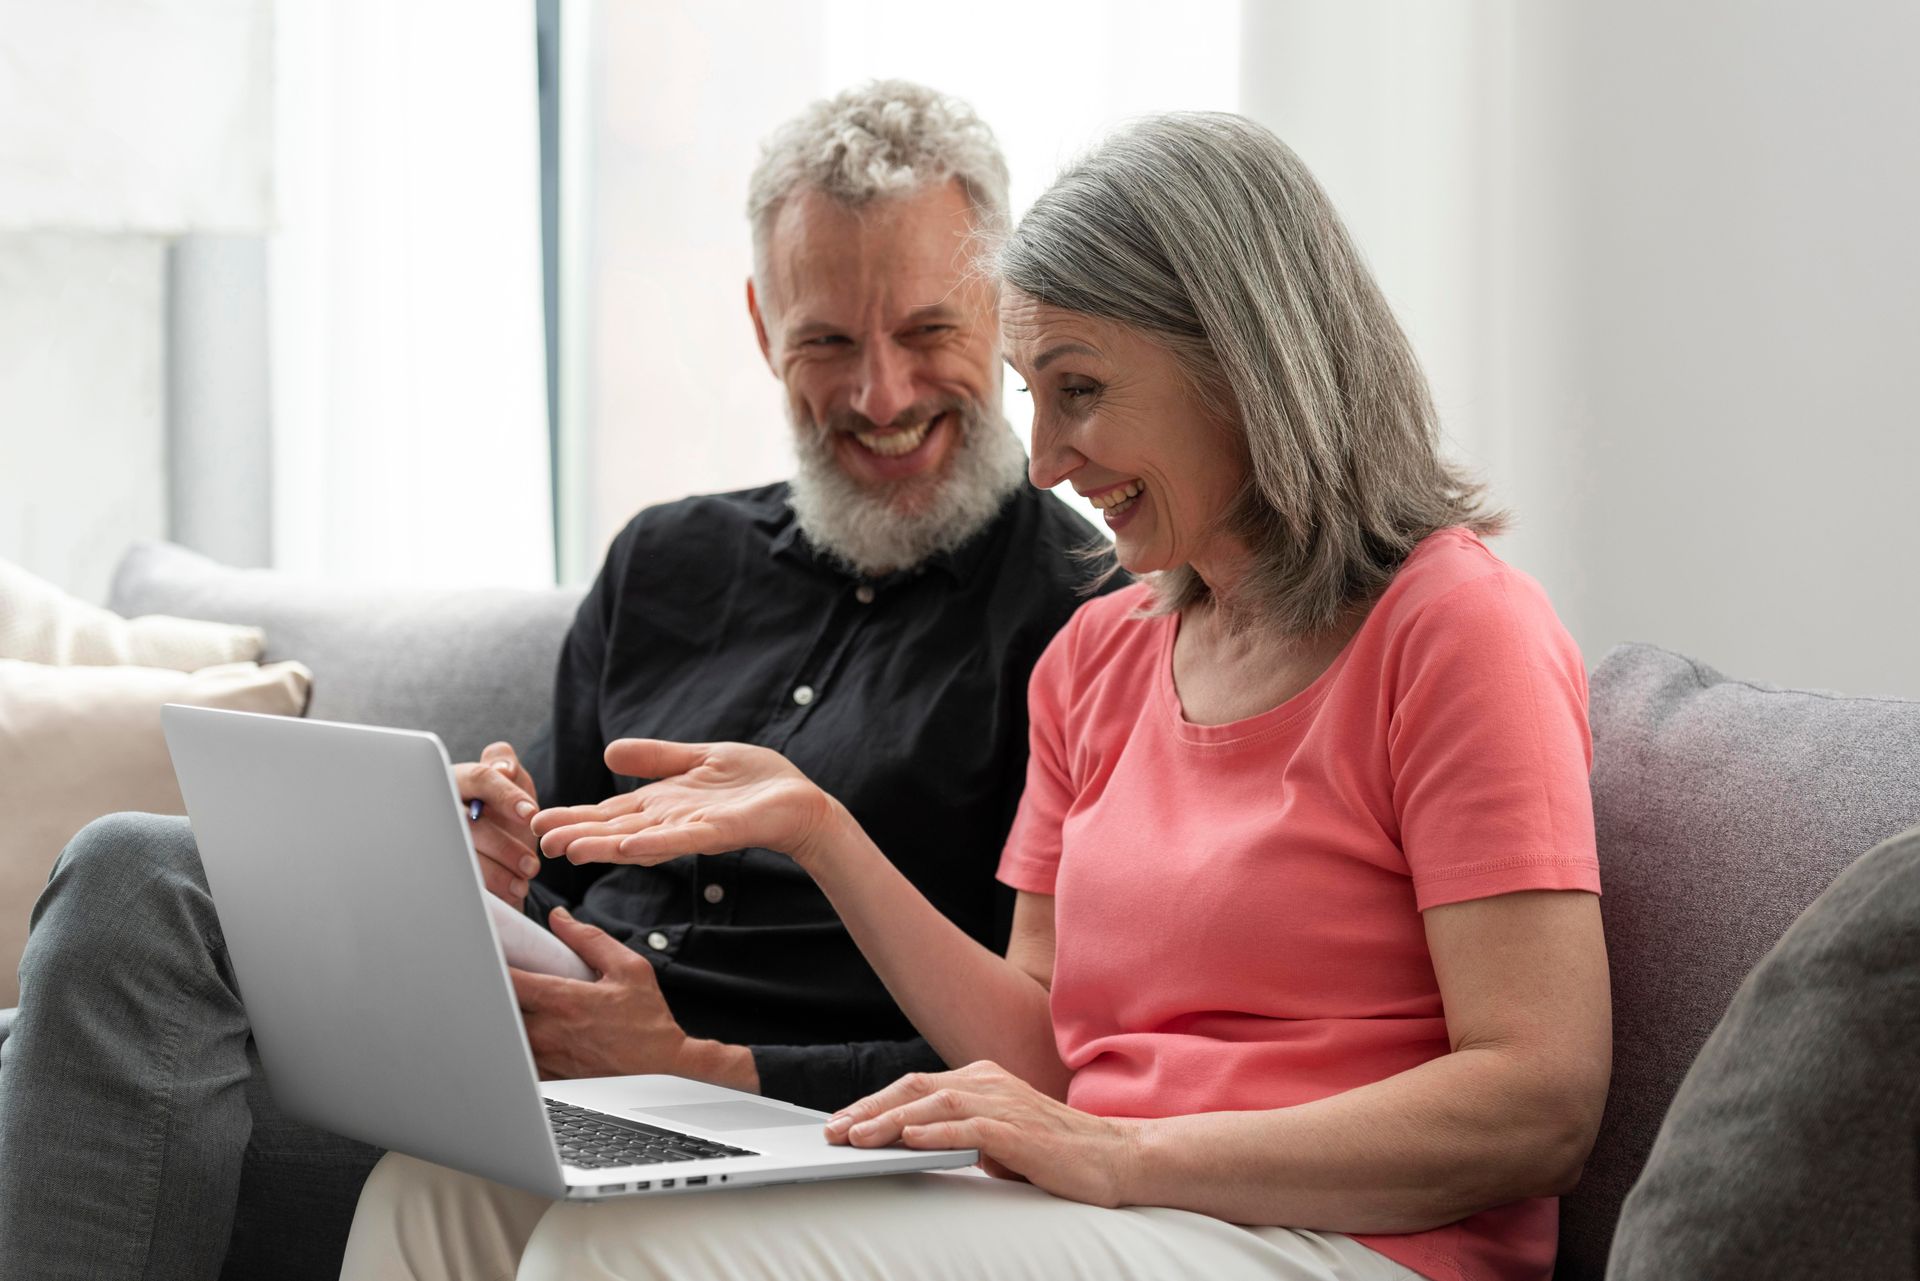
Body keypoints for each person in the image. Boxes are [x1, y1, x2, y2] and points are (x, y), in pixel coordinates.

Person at [345, 112, 1613, 1281]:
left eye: (1082, 389)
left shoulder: (1453, 629)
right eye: (1035, 399)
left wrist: (1123, 1157)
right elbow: (1055, 1050)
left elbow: (1538, 1103)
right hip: (1114, 1202)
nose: (1051, 461)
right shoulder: (1102, 656)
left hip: (1340, 1241)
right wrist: (815, 826)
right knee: (435, 1197)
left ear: (1241, 362)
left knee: (616, 1257)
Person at [0, 81, 1113, 1281]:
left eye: (927, 332)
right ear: (760, 323)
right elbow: (549, 886)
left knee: (132, 883)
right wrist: (488, 856)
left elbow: (1053, 1055)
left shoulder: (1084, 622)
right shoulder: (667, 562)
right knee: (89, 977)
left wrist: (690, 1061)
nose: (878, 395)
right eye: (827, 340)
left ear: (1002, 310)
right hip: (511, 1088)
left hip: (775, 1138)